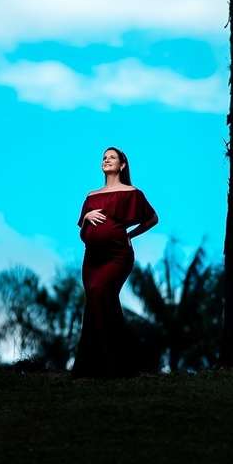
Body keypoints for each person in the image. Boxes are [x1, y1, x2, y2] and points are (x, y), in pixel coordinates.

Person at [72, 146, 158, 379]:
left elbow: (152, 218)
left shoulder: (132, 193)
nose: (107, 160)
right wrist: (87, 218)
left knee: (100, 293)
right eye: (104, 157)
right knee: (98, 302)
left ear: (122, 165)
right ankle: (101, 367)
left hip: (117, 256)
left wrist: (130, 234)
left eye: (113, 157)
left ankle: (111, 365)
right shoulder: (91, 196)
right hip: (92, 259)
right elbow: (83, 235)